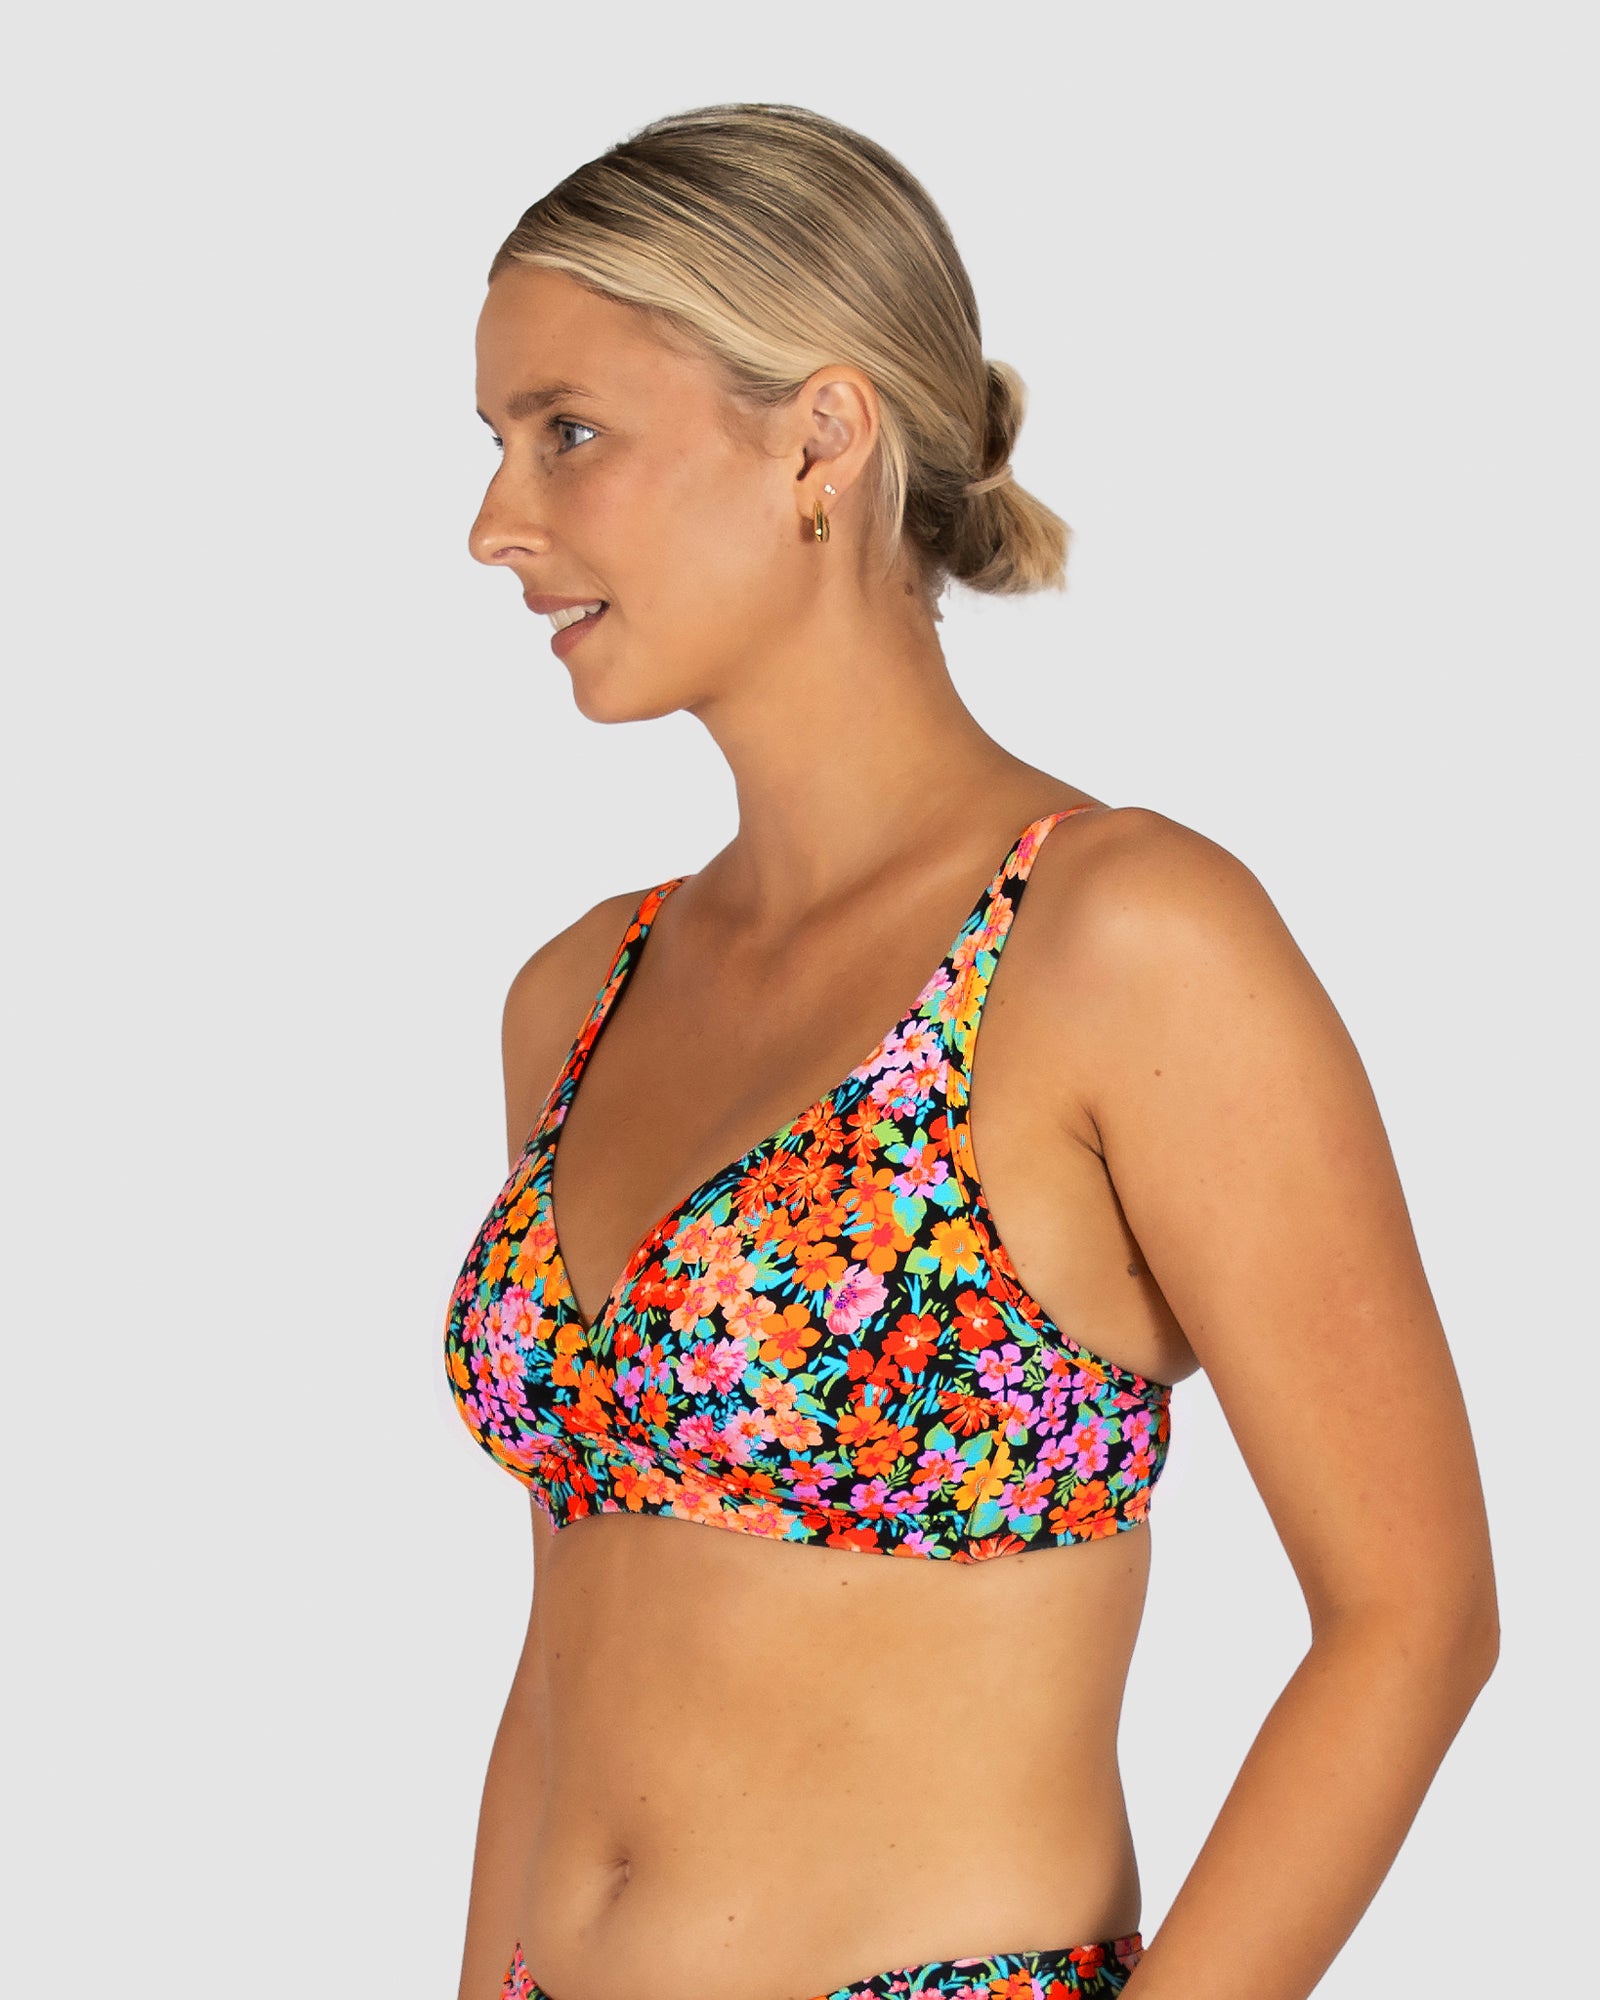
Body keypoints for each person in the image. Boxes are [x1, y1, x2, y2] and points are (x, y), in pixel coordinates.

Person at [444, 101, 1498, 2000]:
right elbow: (572, 1633)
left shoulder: (1119, 943)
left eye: (567, 432)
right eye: (496, 443)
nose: (495, 523)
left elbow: (1411, 1620)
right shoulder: (580, 992)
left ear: (821, 440)